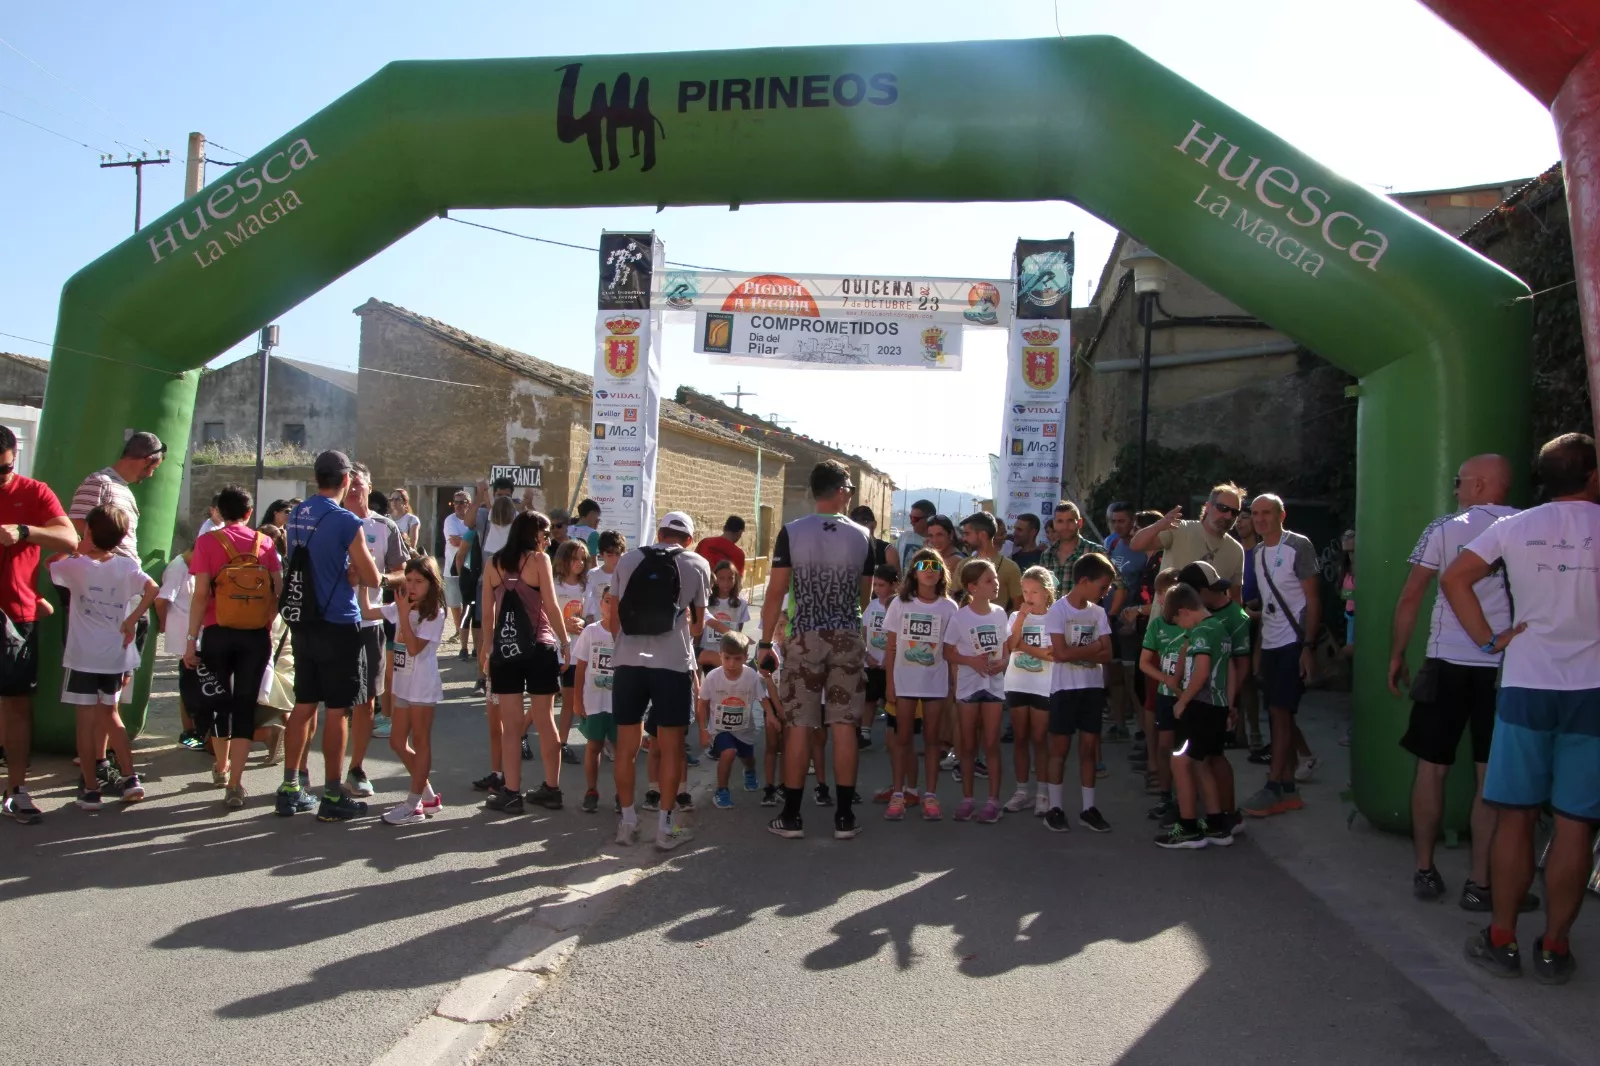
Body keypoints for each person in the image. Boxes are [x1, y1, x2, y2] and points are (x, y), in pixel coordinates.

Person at [1443, 433, 1600, 984]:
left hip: (1527, 682)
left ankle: (1503, 937)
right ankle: (1555, 946)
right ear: (1592, 476)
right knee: (1577, 823)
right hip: (1593, 690)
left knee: (1516, 814)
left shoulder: (1514, 527)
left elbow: (1453, 578)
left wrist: (1489, 640)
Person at [1389, 454, 1523, 907]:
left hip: (1446, 660)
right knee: (1490, 777)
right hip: (1507, 667)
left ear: (1482, 484)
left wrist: (1397, 654)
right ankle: (1480, 883)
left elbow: (1411, 596)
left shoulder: (1445, 527)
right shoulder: (1527, 526)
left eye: (1460, 481)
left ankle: (1424, 869)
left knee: (1432, 768)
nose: (1456, 489)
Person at [759, 462, 875, 840]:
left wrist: (764, 642)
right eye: (851, 489)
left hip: (804, 635)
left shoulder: (791, 532)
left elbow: (776, 593)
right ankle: (844, 816)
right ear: (841, 490)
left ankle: (791, 816)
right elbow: (865, 595)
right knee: (844, 725)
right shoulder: (863, 535)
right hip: (846, 634)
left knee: (800, 726)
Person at [275, 450, 383, 822]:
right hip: (338, 621)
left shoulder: (297, 514)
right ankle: (333, 795)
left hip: (303, 620)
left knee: (304, 703)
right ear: (348, 480)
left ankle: (290, 788)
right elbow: (371, 578)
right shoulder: (344, 520)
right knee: (338, 709)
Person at [67, 430, 166, 797]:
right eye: (153, 468)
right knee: (98, 697)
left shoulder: (121, 488)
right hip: (104, 603)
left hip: (127, 599)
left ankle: (103, 763)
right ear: (147, 459)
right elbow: (77, 533)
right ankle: (96, 769)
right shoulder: (98, 483)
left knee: (115, 691)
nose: (151, 475)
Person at [612, 511, 710, 850]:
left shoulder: (627, 560)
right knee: (670, 749)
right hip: (671, 665)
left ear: (659, 532)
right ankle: (665, 828)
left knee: (625, 748)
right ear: (689, 539)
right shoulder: (697, 563)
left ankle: (627, 822)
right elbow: (698, 626)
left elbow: (614, 617)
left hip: (628, 662)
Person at [50, 505, 158, 809]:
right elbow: (152, 588)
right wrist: (132, 618)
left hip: (83, 657)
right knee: (112, 716)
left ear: (89, 532)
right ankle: (130, 778)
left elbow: (51, 564)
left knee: (84, 723)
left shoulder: (76, 566)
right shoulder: (125, 567)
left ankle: (91, 788)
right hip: (113, 656)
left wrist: (75, 548)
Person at [183, 484, 283, 809]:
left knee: (218, 700)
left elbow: (200, 595)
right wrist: (265, 623)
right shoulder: (265, 543)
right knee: (244, 705)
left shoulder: (206, 543)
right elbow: (277, 591)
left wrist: (190, 640)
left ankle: (222, 766)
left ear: (218, 512)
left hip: (216, 632)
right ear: (250, 512)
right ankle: (237, 783)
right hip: (255, 636)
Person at [0, 425, 76, 823]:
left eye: (4, 470)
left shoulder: (33, 492)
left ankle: (16, 790)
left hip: (15, 615)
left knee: (16, 704)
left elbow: (71, 539)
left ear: (15, 457)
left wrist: (25, 532)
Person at [480, 510, 570, 815]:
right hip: (540, 647)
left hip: (505, 651)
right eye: (545, 534)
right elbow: (551, 605)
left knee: (511, 725)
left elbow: (488, 614)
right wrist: (565, 641)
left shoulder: (493, 563)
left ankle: (512, 792)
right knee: (545, 719)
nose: (547, 540)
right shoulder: (538, 560)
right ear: (534, 534)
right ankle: (552, 789)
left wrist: (486, 651)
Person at [1240, 493, 1320, 818]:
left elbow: (1313, 599)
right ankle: (1287, 788)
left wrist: (1308, 647)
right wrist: (1259, 647)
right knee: (1275, 713)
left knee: (1280, 710)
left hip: (1294, 641)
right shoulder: (1257, 553)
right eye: (1255, 513)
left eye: (1266, 513)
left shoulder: (1298, 546)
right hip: (1271, 641)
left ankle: (1274, 784)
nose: (1260, 519)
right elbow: (1269, 605)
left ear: (1281, 515)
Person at [363, 556, 446, 825]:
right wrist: (366, 580)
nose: (411, 586)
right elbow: (367, 611)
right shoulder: (400, 605)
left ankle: (414, 804)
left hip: (422, 685)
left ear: (431, 584)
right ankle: (428, 795)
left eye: (418, 582)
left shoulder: (434, 613)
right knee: (397, 741)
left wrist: (401, 614)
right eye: (408, 580)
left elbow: (413, 647)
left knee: (421, 741)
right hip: (402, 683)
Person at [1154, 583, 1238, 848]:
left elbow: (1201, 673)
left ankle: (1188, 827)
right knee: (1201, 763)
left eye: (1179, 621)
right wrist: (1230, 705)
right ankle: (1216, 824)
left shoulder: (1201, 631)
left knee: (1180, 762)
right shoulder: (1219, 629)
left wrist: (1183, 701)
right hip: (1218, 705)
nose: (1182, 627)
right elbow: (1231, 670)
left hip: (1201, 706)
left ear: (1184, 611)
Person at [343, 463, 407, 791]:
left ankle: (356, 769)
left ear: (370, 487)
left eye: (360, 484)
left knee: (366, 700)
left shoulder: (385, 527)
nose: (355, 489)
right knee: (328, 701)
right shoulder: (332, 522)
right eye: (349, 484)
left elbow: (401, 574)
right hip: (332, 623)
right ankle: (305, 773)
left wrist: (377, 578)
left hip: (369, 624)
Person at [881, 549, 958, 822]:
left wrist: (953, 687)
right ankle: (899, 794)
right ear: (914, 572)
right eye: (923, 565)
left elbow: (951, 650)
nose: (929, 570)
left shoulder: (949, 607)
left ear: (942, 573)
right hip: (904, 683)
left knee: (932, 742)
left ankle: (931, 796)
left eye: (935, 565)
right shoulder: (900, 604)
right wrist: (890, 684)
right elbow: (890, 648)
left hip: (935, 684)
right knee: (902, 741)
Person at [1042, 553, 1115, 833]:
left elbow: (1107, 652)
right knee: (1059, 750)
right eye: (1103, 586)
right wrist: (1091, 649)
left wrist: (1080, 652)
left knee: (1088, 749)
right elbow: (1059, 653)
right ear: (1084, 581)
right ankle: (1055, 807)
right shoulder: (1058, 611)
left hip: (1092, 688)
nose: (1105, 592)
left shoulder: (1097, 613)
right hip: (1064, 689)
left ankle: (1088, 807)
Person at [1178, 560, 1250, 831]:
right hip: (1196, 699)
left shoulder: (1236, 617)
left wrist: (1230, 703)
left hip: (1218, 701)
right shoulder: (1198, 613)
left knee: (1215, 756)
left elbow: (1240, 665)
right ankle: (1207, 810)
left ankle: (1228, 813)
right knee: (1200, 757)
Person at [944, 559, 1008, 823]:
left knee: (991, 743)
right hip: (969, 688)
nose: (995, 584)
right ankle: (967, 798)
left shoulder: (1000, 613)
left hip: (993, 687)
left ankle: (993, 801)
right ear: (972, 587)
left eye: (995, 579)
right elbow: (948, 651)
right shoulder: (960, 617)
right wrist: (971, 661)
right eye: (989, 581)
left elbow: (1005, 650)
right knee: (968, 745)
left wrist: (1002, 663)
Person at [698, 632, 777, 808]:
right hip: (720, 729)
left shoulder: (751, 676)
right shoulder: (712, 678)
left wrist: (771, 715)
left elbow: (762, 699)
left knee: (747, 757)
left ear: (746, 657)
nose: (731, 664)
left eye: (737, 658)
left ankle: (749, 771)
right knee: (728, 752)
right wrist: (703, 731)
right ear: (720, 655)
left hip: (744, 729)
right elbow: (702, 705)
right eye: (727, 658)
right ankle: (722, 791)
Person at [1002, 566, 1056, 817]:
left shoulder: (1055, 617)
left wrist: (1022, 645)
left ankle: (1043, 792)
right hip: (1017, 684)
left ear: (1047, 592)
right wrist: (1022, 618)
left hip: (1043, 686)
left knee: (1040, 739)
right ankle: (1022, 791)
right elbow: (1010, 646)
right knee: (1020, 738)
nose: (1029, 596)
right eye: (1025, 591)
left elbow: (1051, 654)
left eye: (1034, 591)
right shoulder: (1015, 617)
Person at [1129, 484, 1247, 592]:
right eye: (1223, 508)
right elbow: (1136, 545)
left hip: (1209, 615)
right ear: (1208, 507)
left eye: (1235, 512)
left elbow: (1235, 596)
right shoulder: (1180, 529)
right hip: (1167, 614)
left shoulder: (1236, 550)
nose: (1228, 516)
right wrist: (1159, 525)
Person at [1140, 568, 1187, 824]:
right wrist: (1167, 680)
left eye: (1166, 594)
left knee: (1186, 749)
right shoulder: (1156, 625)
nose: (1161, 600)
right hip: (1165, 695)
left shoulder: (1193, 624)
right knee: (1165, 744)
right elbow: (1144, 662)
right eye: (1158, 594)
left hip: (1191, 698)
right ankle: (1166, 797)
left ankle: (1187, 800)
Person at [571, 582, 619, 814]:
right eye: (607, 600)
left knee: (621, 750)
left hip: (619, 704)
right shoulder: (591, 632)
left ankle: (623, 794)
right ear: (601, 605)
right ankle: (591, 791)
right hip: (594, 701)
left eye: (616, 601)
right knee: (594, 746)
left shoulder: (628, 634)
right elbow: (580, 668)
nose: (612, 605)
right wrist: (577, 700)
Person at [552, 538, 590, 764]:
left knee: (568, 700)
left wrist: (581, 623)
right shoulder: (555, 584)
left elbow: (589, 615)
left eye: (583, 559)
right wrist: (563, 625)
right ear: (564, 560)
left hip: (576, 651)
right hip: (553, 648)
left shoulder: (585, 587)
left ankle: (562, 743)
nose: (579, 563)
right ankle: (521, 735)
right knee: (545, 698)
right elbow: (544, 614)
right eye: (575, 559)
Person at [862, 563, 897, 763]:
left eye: (882, 585)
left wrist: (888, 661)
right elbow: (865, 632)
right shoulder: (872, 606)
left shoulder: (898, 606)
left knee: (890, 700)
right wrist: (867, 655)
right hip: (872, 663)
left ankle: (890, 736)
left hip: (889, 665)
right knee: (869, 699)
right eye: (875, 585)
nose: (877, 589)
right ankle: (865, 734)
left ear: (894, 586)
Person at [959, 512, 1023, 613]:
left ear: (982, 535)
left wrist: (999, 621)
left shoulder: (1010, 568)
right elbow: (953, 598)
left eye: (967, 533)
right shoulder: (963, 565)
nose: (964, 538)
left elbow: (1018, 606)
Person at [698, 561, 749, 674]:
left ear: (736, 579)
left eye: (730, 578)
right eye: (721, 578)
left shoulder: (741, 604)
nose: (726, 582)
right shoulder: (706, 602)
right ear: (715, 580)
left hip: (730, 653)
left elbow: (739, 630)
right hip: (709, 649)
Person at [443, 491, 472, 645]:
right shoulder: (450, 520)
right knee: (455, 605)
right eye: (456, 502)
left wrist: (463, 539)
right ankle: (460, 634)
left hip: (471, 568)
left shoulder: (474, 520)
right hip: (452, 569)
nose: (458, 505)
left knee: (470, 604)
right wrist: (471, 539)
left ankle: (467, 634)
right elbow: (454, 541)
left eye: (462, 502)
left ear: (469, 503)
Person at [583, 531, 626, 623]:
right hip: (599, 626)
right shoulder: (593, 575)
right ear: (602, 555)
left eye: (618, 554)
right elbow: (587, 600)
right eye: (610, 555)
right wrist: (589, 618)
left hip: (621, 626)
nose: (615, 559)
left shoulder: (627, 574)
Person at [890, 499, 935, 570]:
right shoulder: (904, 537)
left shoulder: (938, 542)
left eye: (915, 519)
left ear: (929, 519)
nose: (911, 522)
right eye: (911, 517)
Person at [850, 506, 893, 570]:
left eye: (865, 521)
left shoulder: (887, 551)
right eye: (855, 523)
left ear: (874, 524)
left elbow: (896, 578)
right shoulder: (846, 548)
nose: (860, 526)